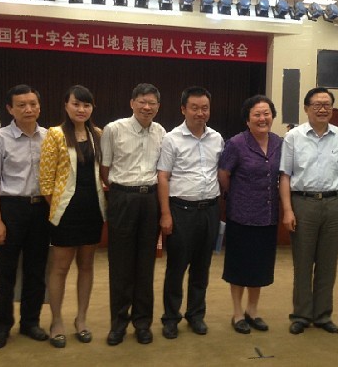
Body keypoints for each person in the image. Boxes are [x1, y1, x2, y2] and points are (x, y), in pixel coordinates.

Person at [0, 85, 50, 349]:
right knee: (6, 272)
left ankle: (30, 322)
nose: (28, 109)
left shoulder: (50, 137)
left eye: (33, 104)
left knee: (36, 270)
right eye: (21, 105)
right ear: (10, 109)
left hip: (41, 210)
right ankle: (1, 327)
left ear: (39, 107)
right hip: (11, 209)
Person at [39, 85, 107, 348]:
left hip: (93, 210)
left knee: (87, 266)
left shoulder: (98, 134)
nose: (81, 109)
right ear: (66, 105)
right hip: (65, 213)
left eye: (86, 105)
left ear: (92, 108)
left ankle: (82, 319)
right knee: (60, 268)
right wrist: (59, 208)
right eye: (76, 104)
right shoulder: (55, 134)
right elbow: (46, 182)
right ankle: (56, 321)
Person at [100, 83, 166, 346]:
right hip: (123, 198)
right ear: (132, 103)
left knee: (145, 265)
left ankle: (142, 323)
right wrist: (122, 191)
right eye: (142, 101)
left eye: (152, 103)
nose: (147, 107)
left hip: (150, 200)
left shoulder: (161, 132)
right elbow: (105, 169)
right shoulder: (114, 129)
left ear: (158, 107)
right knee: (120, 265)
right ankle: (118, 324)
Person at [280, 87, 338, 335]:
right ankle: (301, 314)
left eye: (327, 105)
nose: (322, 109)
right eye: (317, 105)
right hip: (303, 203)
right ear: (306, 108)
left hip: (333, 203)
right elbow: (285, 176)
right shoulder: (293, 137)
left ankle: (322, 315)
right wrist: (288, 210)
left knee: (328, 263)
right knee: (303, 262)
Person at [157, 86, 224, 339]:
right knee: (176, 268)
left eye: (204, 108)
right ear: (183, 109)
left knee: (202, 268)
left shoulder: (217, 138)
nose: (200, 113)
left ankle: (196, 315)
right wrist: (165, 214)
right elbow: (163, 177)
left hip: (210, 210)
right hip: (181, 210)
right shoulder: (172, 139)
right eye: (194, 108)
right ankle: (170, 318)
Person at [218, 95, 282, 334]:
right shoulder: (236, 143)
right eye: (257, 114)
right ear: (247, 119)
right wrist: (238, 195)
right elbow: (224, 175)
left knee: (260, 266)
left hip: (268, 215)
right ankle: (237, 313)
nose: (262, 118)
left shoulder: (279, 143)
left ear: (272, 116)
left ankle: (252, 311)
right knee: (239, 266)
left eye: (266, 113)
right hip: (241, 215)